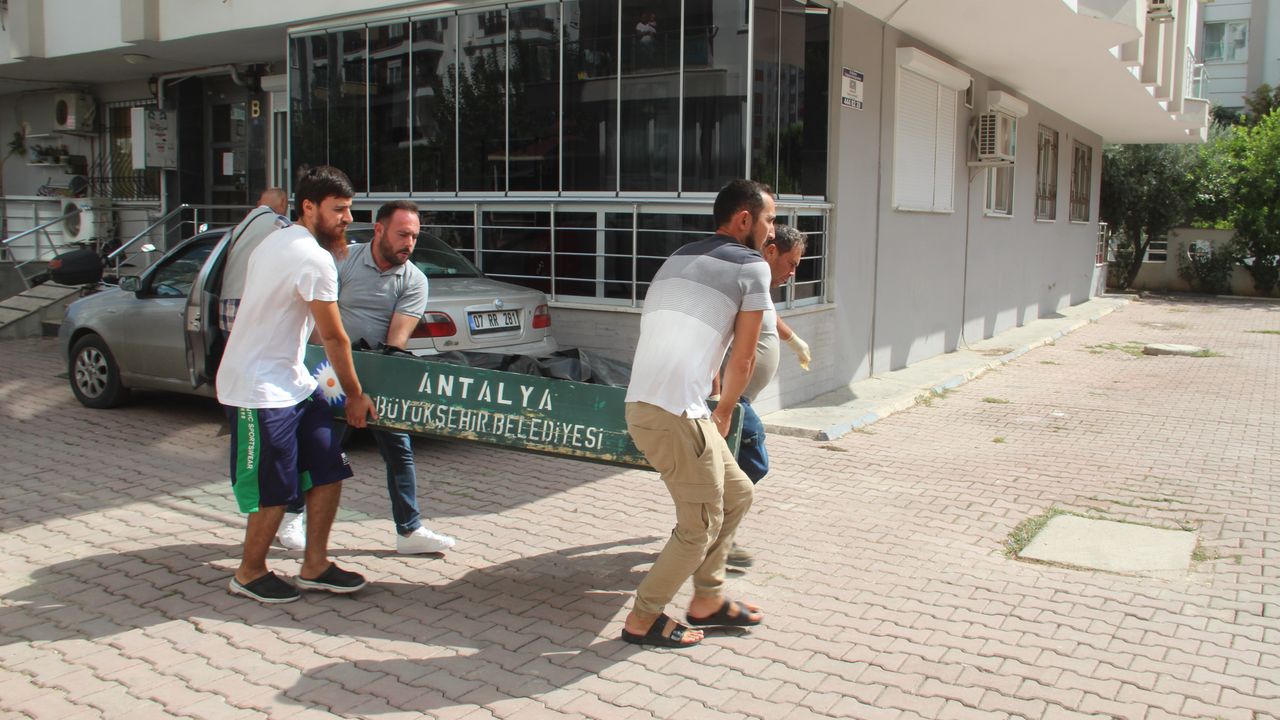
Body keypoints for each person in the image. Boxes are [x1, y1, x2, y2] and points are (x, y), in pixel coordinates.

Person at [620, 178, 776, 648]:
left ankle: (707, 598)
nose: (773, 231)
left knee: (738, 492)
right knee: (698, 527)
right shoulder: (752, 266)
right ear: (744, 219)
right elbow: (744, 358)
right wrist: (724, 411)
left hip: (650, 404)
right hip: (676, 414)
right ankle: (643, 620)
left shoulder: (679, 257)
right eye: (770, 220)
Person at [217, 165, 377, 604]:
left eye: (349, 209)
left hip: (294, 383)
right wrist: (355, 395)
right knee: (275, 486)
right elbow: (333, 337)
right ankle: (249, 573)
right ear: (309, 207)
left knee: (328, 467)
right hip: (258, 388)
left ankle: (315, 566)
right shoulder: (313, 258)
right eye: (338, 209)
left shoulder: (276, 241)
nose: (347, 219)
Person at [277, 200, 457, 555]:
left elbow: (395, 344)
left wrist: (363, 389)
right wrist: (339, 377)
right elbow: (320, 323)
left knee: (399, 451)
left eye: (415, 237)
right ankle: (291, 517)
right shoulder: (342, 260)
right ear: (379, 230)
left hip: (378, 371)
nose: (409, 243)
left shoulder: (415, 280)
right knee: (320, 445)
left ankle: (409, 531)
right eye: (402, 234)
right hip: (329, 370)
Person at [721, 223, 809, 570]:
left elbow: (772, 317)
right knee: (753, 463)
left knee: (728, 469)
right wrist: (720, 399)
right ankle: (714, 537)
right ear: (771, 252)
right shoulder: (744, 282)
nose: (793, 272)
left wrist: (794, 341)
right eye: (792, 263)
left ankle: (702, 531)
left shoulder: (761, 289)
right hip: (731, 400)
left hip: (738, 401)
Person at [218, 188, 289, 336]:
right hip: (255, 306)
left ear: (259, 203)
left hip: (228, 308)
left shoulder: (241, 226)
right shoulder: (278, 222)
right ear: (283, 202)